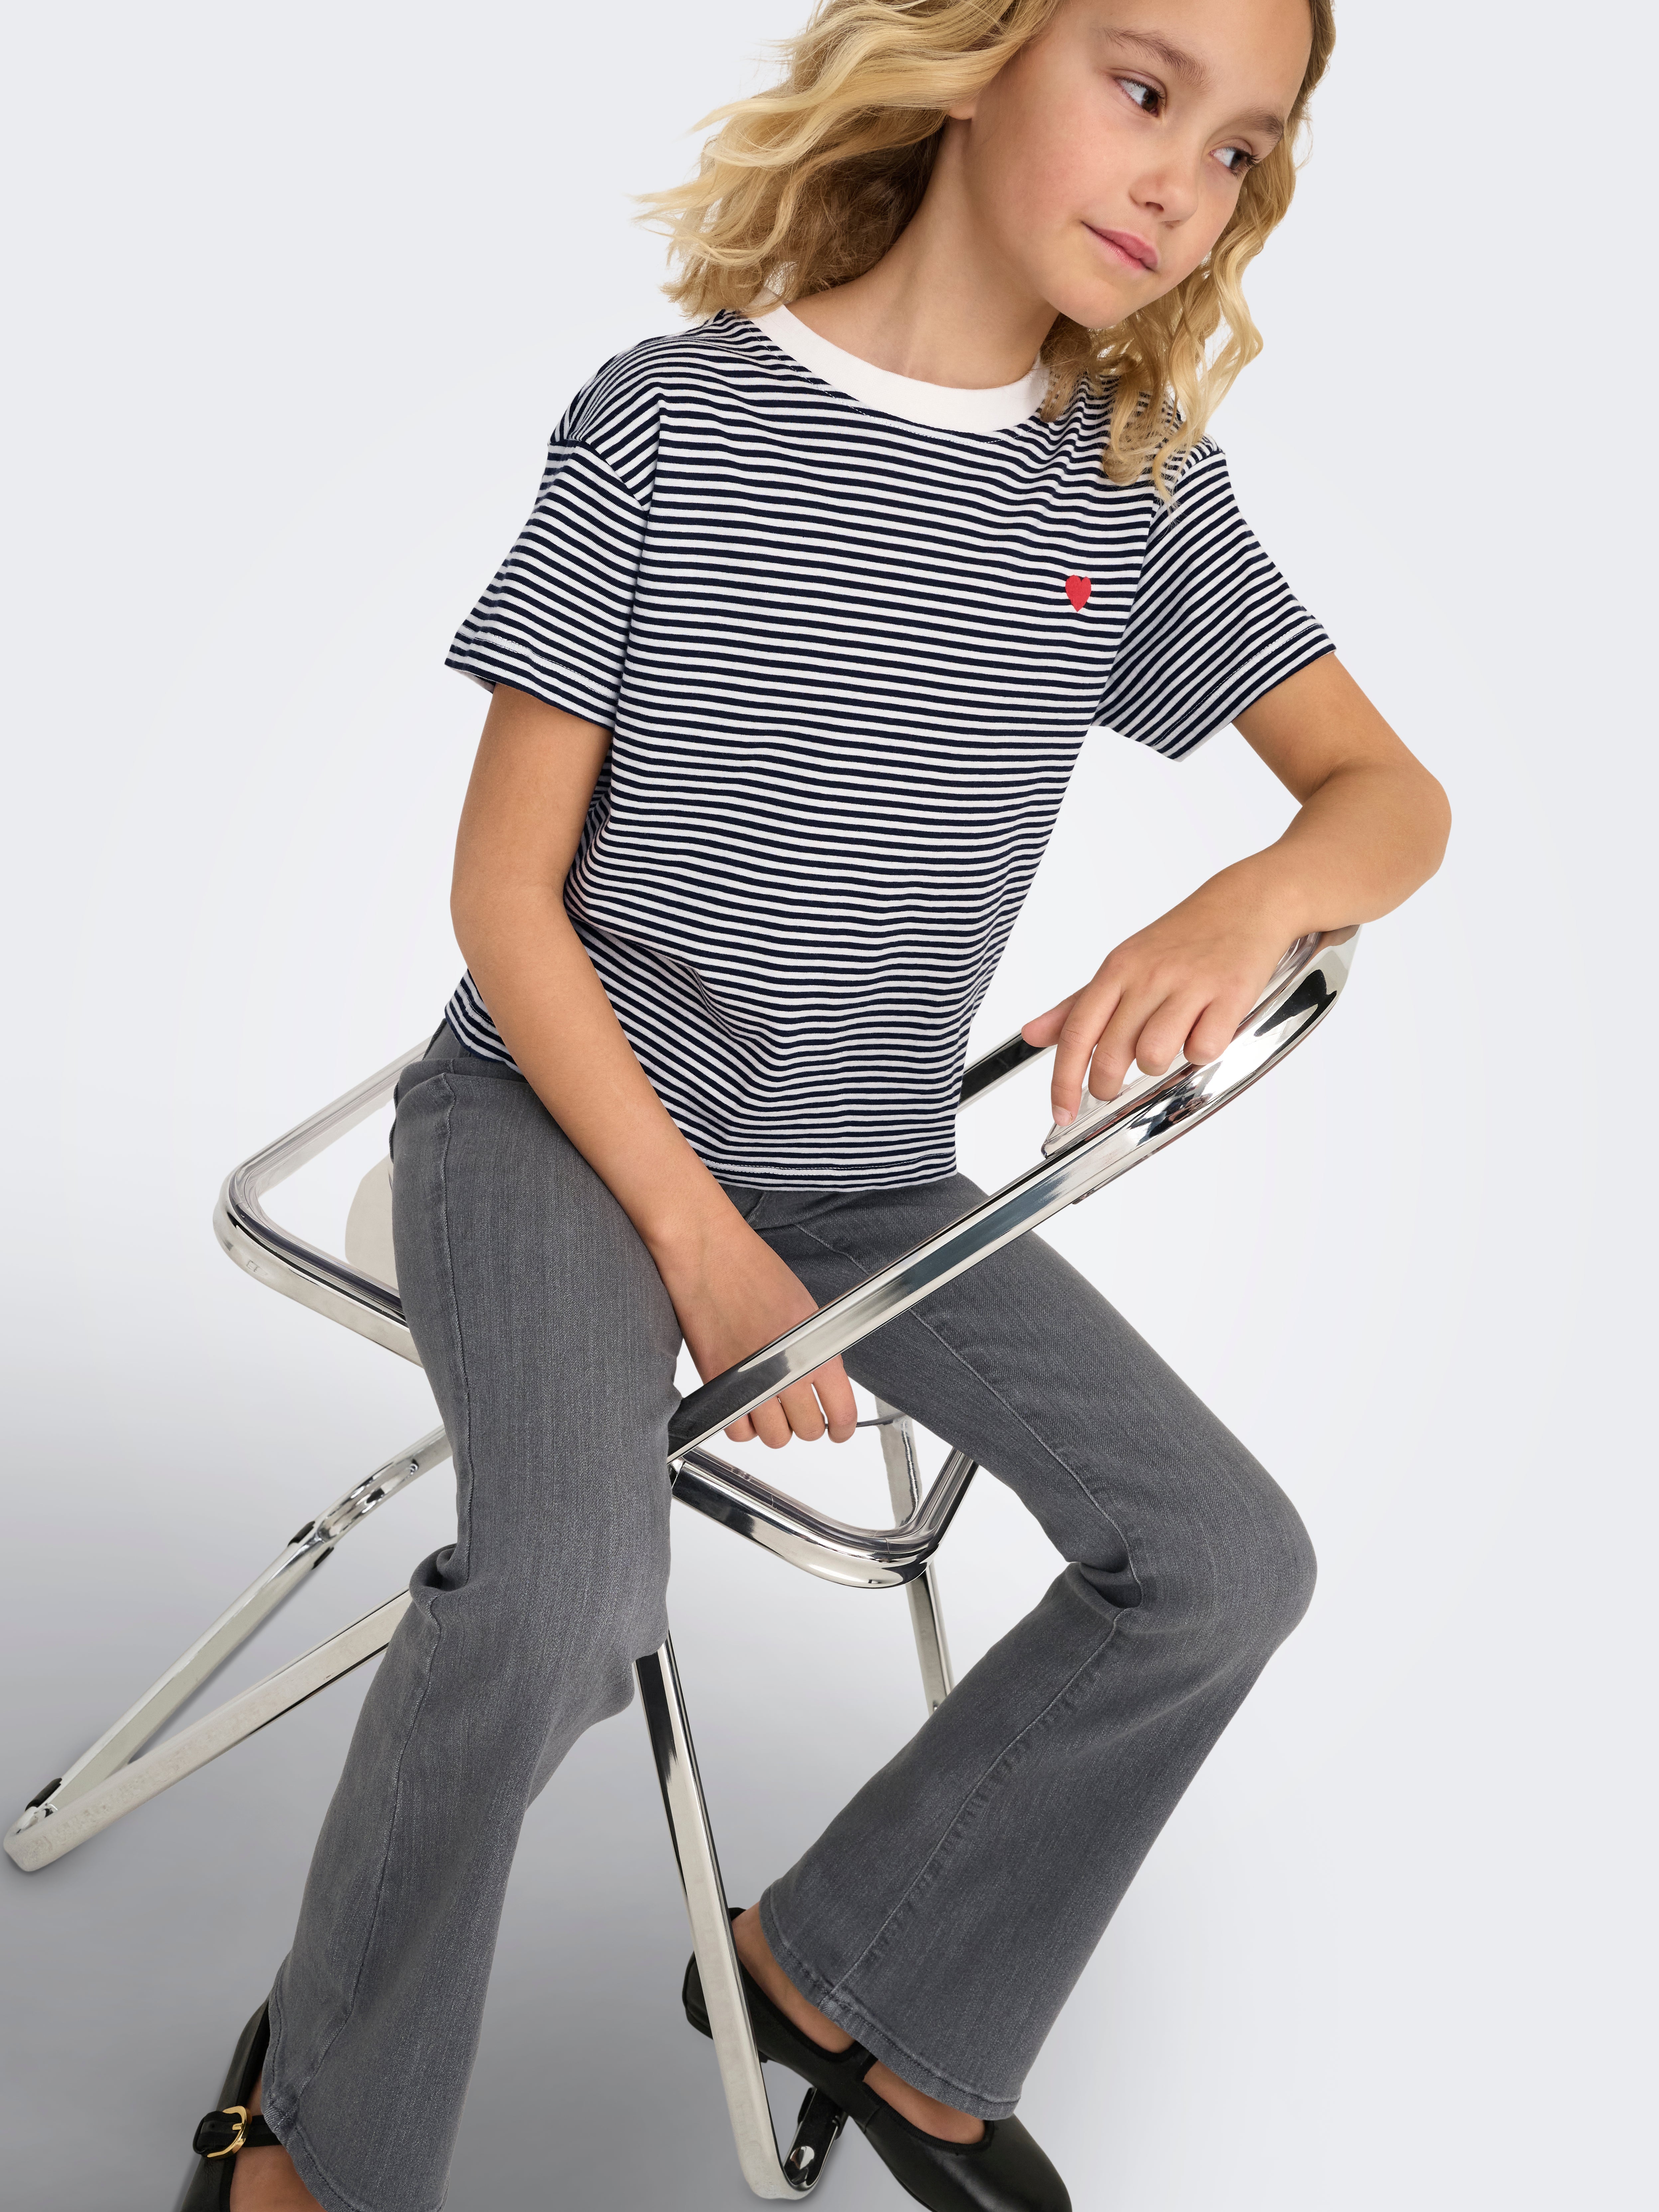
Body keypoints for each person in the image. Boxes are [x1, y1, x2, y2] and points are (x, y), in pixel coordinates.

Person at [180, 1, 1450, 2206]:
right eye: (1144, 87)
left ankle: (851, 1970)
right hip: (549, 1126)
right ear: (976, 58)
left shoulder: (1128, 489)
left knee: (1222, 1563)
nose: (1186, 179)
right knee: (570, 1595)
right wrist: (696, 1243)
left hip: (862, 1182)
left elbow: (1393, 798)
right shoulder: (674, 419)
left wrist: (1252, 895)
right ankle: (318, 2129)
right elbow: (501, 901)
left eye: (1243, 148)